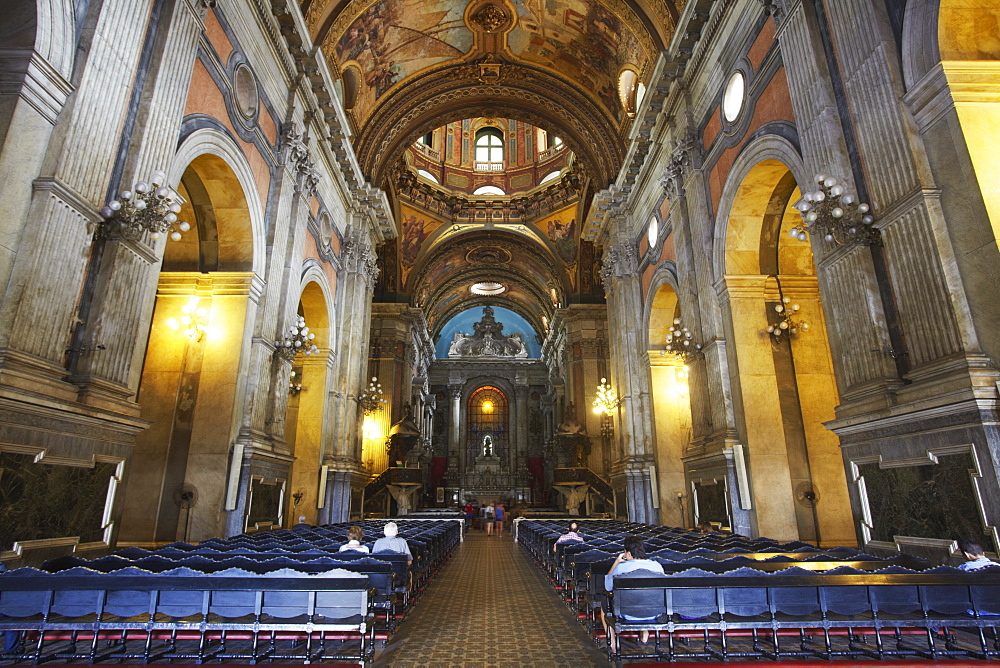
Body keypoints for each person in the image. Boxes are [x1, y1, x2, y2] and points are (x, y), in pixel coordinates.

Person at [602, 536, 665, 653]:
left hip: (627, 613)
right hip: (653, 613)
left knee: (604, 605)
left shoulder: (621, 568)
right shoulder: (657, 566)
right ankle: (644, 636)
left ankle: (613, 644)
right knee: (646, 596)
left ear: (628, 553)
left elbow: (608, 586)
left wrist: (616, 562)